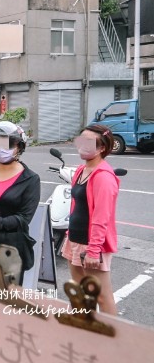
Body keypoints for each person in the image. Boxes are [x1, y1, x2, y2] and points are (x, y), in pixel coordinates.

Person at [61, 124, 120, 315]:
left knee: (101, 296)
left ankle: (114, 341)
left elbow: (102, 217)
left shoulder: (103, 176)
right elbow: (76, 206)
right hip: (75, 239)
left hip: (93, 245)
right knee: (80, 292)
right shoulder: (80, 170)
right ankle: (83, 335)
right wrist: (69, 235)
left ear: (102, 148)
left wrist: (94, 250)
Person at [0, 121, 41, 283]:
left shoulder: (30, 179)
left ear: (20, 146)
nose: (0, 148)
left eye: (7, 143)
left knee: (6, 301)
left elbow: (23, 218)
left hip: (11, 249)